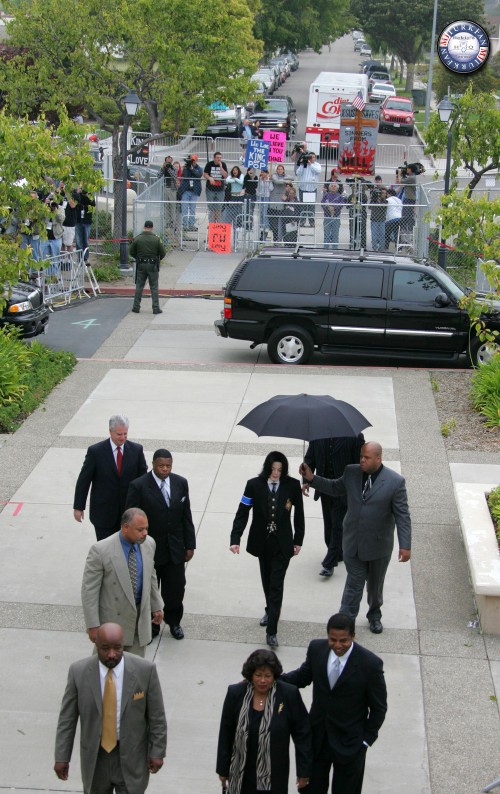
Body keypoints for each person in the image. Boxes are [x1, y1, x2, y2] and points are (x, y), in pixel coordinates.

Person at [300, 442, 411, 633]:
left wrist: (405, 545)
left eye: (366, 458)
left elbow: (402, 515)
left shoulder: (395, 482)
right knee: (354, 584)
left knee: (375, 588)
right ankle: (345, 623)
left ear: (378, 458)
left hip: (378, 547)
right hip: (353, 543)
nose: (362, 460)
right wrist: (312, 478)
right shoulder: (351, 472)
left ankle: (374, 615)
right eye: (361, 456)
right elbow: (335, 487)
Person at [54, 623, 167, 793]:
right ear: (96, 644)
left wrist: (157, 752)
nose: (112, 654)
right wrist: (62, 757)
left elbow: (157, 717)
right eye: (105, 648)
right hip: (96, 759)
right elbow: (67, 720)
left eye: (117, 648)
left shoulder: (145, 671)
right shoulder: (79, 672)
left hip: (132, 758)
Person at [281, 613, 387, 794]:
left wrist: (365, 741)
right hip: (317, 740)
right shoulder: (316, 649)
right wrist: (270, 679)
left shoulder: (370, 664)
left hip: (350, 744)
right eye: (333, 640)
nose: (337, 646)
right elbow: (301, 677)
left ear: (353, 636)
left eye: (343, 641)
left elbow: (379, 708)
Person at [230, 451, 304, 648]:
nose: (276, 474)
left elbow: (299, 516)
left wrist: (298, 540)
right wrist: (235, 538)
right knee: (266, 579)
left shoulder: (292, 485)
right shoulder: (253, 485)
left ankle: (272, 630)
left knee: (276, 585)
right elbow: (242, 512)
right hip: (262, 542)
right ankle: (270, 609)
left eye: (279, 470)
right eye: (273, 469)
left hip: (283, 543)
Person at [216, 649, 312, 794]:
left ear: (274, 676)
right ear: (250, 675)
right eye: (258, 675)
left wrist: (304, 771)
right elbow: (226, 732)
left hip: (274, 776)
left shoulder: (288, 694)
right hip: (241, 773)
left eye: (267, 676)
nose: (262, 680)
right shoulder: (235, 693)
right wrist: (223, 769)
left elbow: (303, 733)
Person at [126, 449, 196, 641]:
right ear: (153, 464)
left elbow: (186, 515)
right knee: (149, 590)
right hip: (149, 550)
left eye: (168, 466)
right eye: (161, 466)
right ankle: (151, 625)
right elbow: (131, 519)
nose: (165, 469)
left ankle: (174, 622)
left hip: (175, 549)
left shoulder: (180, 483)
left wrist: (190, 544)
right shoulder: (139, 486)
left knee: (176, 588)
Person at [81, 508, 164, 655]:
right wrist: (93, 625)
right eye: (140, 529)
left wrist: (156, 605)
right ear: (125, 527)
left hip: (139, 621)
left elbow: (151, 575)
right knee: (106, 672)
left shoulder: (149, 544)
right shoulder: (100, 550)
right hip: (112, 623)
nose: (145, 533)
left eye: (146, 528)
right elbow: (89, 591)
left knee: (135, 673)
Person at [73, 414, 148, 540]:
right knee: (106, 552)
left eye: (125, 434)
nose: (123, 437)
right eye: (119, 434)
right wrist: (78, 507)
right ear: (110, 431)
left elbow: (143, 480)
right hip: (104, 513)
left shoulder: (136, 450)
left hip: (128, 513)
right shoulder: (95, 452)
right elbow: (84, 480)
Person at [303, 435, 365, 577]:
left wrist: (359, 488)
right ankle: (339, 552)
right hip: (324, 488)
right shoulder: (317, 436)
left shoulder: (354, 437)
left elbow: (361, 464)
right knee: (329, 525)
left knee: (337, 525)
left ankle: (329, 563)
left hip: (344, 489)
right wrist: (306, 480)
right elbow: (310, 458)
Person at [129, 220, 167, 315]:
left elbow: (131, 251)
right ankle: (155, 308)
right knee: (154, 286)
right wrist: (158, 259)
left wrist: (138, 257)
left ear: (144, 227)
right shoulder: (156, 239)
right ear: (152, 228)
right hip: (153, 265)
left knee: (139, 286)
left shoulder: (138, 239)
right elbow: (163, 253)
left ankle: (136, 307)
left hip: (141, 264)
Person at [295, 151, 321, 227]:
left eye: (312, 157)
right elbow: (298, 173)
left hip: (312, 189)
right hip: (303, 188)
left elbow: (318, 171)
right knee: (303, 206)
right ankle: (302, 221)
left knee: (311, 206)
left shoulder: (317, 165)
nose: (311, 158)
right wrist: (302, 164)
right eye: (310, 157)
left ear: (315, 158)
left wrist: (310, 164)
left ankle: (311, 222)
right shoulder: (304, 164)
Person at [178, 154, 203, 231]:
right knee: (184, 208)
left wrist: (192, 169)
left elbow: (199, 175)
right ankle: (185, 225)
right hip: (186, 191)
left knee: (192, 209)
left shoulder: (199, 168)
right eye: (191, 160)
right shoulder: (186, 168)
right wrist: (186, 168)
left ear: (196, 161)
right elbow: (183, 176)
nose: (192, 162)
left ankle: (191, 224)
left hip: (194, 191)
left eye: (193, 161)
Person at [204, 151, 228, 222]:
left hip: (220, 189)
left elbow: (225, 175)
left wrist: (221, 167)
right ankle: (212, 223)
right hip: (210, 189)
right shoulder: (209, 164)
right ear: (214, 158)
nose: (219, 159)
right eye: (217, 157)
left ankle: (218, 224)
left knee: (219, 208)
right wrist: (209, 178)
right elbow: (205, 174)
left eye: (220, 158)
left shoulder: (223, 164)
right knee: (211, 208)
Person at [321, 182, 345, 250]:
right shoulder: (326, 195)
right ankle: (326, 248)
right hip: (327, 216)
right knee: (326, 234)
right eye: (332, 186)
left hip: (336, 217)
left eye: (335, 186)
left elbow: (341, 204)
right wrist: (328, 208)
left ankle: (335, 248)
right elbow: (322, 203)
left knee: (335, 234)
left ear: (337, 188)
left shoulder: (339, 196)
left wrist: (334, 208)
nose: (333, 187)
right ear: (329, 187)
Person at [74, 187, 95, 262]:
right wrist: (78, 193)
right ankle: (79, 258)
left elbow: (93, 204)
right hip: (78, 220)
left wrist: (87, 196)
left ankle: (85, 257)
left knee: (85, 240)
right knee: (78, 240)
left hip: (87, 221)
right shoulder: (78, 195)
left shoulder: (90, 195)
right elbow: (75, 204)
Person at [268, 164, 287, 242]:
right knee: (274, 223)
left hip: (281, 204)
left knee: (280, 223)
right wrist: (286, 181)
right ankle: (275, 238)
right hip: (273, 204)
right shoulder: (274, 176)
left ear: (283, 170)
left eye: (281, 169)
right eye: (278, 169)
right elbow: (277, 181)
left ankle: (280, 239)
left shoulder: (286, 176)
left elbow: (293, 178)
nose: (279, 170)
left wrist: (286, 179)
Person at [160, 155, 178, 231]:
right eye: (167, 161)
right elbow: (158, 176)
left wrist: (169, 168)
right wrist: (163, 168)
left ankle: (173, 224)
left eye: (170, 161)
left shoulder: (173, 168)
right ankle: (167, 223)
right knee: (166, 206)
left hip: (172, 189)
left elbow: (174, 176)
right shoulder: (163, 168)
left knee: (173, 207)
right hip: (165, 188)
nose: (168, 163)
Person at [369, 183, 387, 252]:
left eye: (384, 193)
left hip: (382, 220)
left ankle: (381, 248)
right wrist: (374, 198)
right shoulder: (373, 200)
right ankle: (374, 248)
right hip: (374, 220)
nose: (383, 194)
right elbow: (370, 207)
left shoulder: (386, 201)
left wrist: (379, 201)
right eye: (381, 193)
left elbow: (383, 208)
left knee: (382, 235)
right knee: (374, 235)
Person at [256, 169, 272, 241]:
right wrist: (261, 181)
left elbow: (271, 188)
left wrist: (267, 181)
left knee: (265, 212)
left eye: (264, 172)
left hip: (266, 197)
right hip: (260, 197)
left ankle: (266, 227)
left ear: (267, 173)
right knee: (261, 212)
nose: (262, 174)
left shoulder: (269, 180)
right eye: (261, 172)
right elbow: (258, 189)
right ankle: (262, 226)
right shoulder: (260, 180)